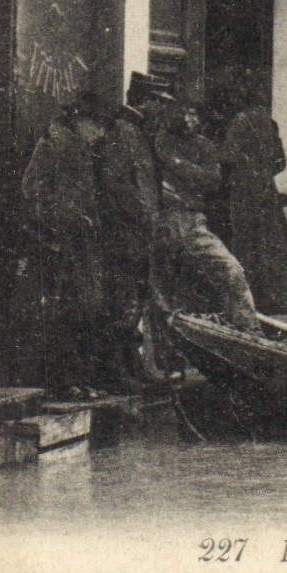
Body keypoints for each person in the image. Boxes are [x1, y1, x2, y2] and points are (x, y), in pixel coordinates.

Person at [19, 92, 110, 395]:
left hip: (75, 244)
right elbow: (32, 190)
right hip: (58, 246)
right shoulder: (56, 145)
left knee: (79, 312)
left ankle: (75, 380)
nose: (100, 133)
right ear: (79, 120)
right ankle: (62, 382)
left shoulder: (76, 148)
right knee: (62, 315)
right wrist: (65, 222)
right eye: (96, 125)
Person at [155, 96, 262, 335]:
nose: (187, 120)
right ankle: (164, 359)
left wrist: (178, 165)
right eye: (182, 113)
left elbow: (212, 181)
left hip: (193, 223)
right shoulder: (161, 141)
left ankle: (250, 332)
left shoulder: (205, 146)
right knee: (162, 293)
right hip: (163, 223)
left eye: (193, 114)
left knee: (231, 270)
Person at [98, 72, 174, 384]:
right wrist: (144, 221)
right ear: (145, 101)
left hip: (137, 236)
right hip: (125, 236)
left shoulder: (137, 131)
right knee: (124, 304)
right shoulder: (124, 131)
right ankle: (117, 372)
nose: (162, 109)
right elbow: (117, 186)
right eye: (158, 102)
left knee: (135, 303)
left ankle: (132, 366)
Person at [222, 76, 287, 317]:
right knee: (271, 248)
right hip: (267, 195)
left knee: (248, 248)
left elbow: (228, 157)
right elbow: (280, 162)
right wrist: (264, 173)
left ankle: (249, 303)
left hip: (246, 197)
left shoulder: (239, 122)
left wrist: (245, 174)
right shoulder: (270, 123)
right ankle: (274, 303)